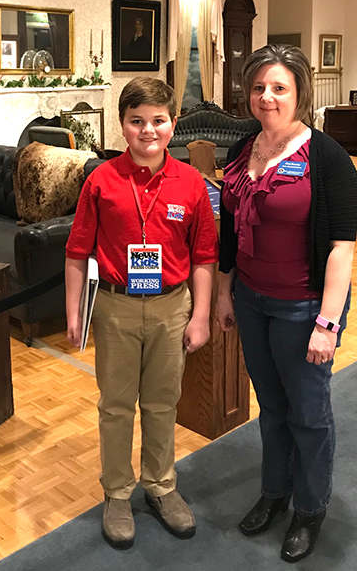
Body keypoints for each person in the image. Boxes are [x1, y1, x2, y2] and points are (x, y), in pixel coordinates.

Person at [215, 44, 357, 563]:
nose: (268, 97)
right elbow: (230, 230)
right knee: (271, 407)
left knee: (309, 414)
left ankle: (310, 507)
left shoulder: (326, 157)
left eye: (279, 87)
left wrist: (328, 322)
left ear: (299, 92)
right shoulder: (241, 150)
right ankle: (274, 494)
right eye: (259, 87)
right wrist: (225, 293)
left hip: (303, 308)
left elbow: (341, 247)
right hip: (253, 302)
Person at [65, 77, 218, 550]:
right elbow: (76, 251)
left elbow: (205, 256)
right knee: (115, 404)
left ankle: (161, 485)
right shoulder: (101, 181)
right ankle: (116, 492)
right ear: (123, 125)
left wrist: (201, 316)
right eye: (137, 122)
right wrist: (75, 313)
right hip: (116, 307)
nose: (147, 131)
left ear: (173, 124)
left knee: (162, 401)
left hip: (174, 307)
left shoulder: (191, 182)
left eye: (158, 121)